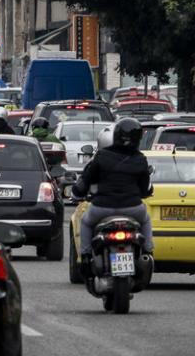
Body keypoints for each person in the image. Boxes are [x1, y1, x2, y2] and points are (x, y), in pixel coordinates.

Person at [72, 118, 154, 278]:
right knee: (146, 220)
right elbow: (145, 189)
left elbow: (86, 180)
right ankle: (147, 252)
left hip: (102, 207)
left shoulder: (101, 156)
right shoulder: (140, 159)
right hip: (133, 208)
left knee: (86, 223)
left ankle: (86, 257)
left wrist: (76, 193)